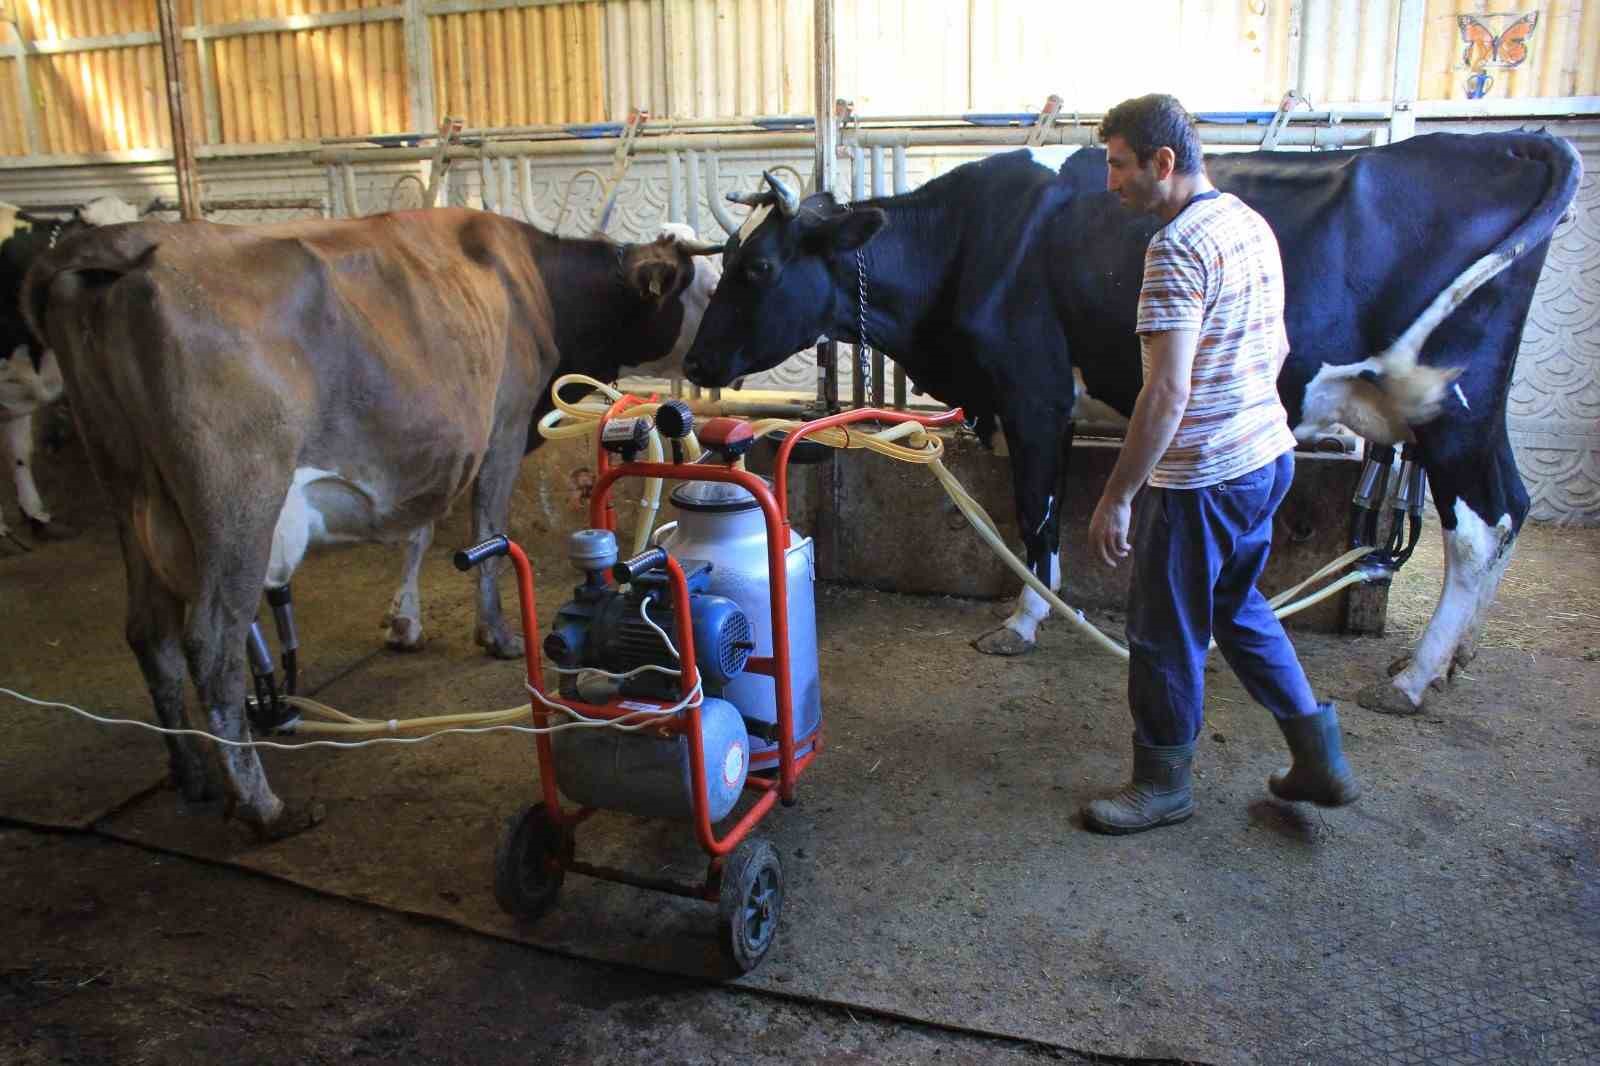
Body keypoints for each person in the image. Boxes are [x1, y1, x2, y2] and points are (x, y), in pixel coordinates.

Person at [1082, 94, 1360, 835]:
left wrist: (1118, 495)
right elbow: (1278, 346)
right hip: (1265, 456)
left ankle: (1162, 785)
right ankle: (1318, 755)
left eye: (1119, 165)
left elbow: (1167, 392)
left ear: (1163, 161)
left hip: (1203, 476)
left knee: (1163, 631)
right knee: (1235, 604)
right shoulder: (1245, 222)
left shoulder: (1174, 248)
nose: (1111, 182)